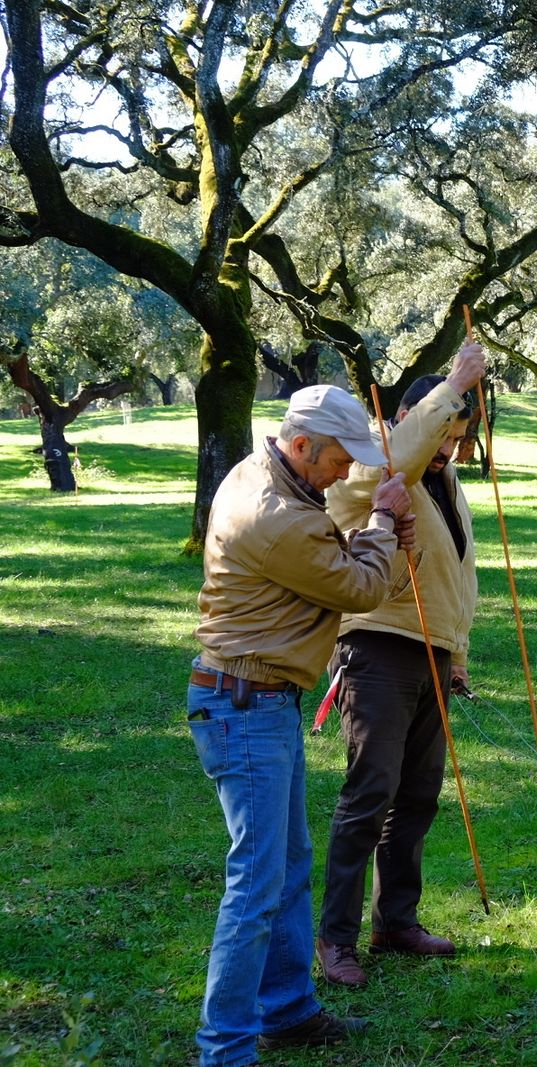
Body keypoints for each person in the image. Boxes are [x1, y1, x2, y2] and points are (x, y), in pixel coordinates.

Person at [189, 385, 412, 1066]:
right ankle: (224, 1048)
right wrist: (380, 522)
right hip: (246, 707)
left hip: (257, 702)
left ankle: (285, 1010)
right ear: (304, 444)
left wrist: (369, 530)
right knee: (257, 884)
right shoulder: (276, 514)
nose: (347, 472)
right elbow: (361, 587)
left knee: (286, 868)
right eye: (341, 458)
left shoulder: (265, 475)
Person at [315, 343, 486, 987]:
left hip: (434, 656)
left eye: (459, 437)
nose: (450, 448)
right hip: (379, 648)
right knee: (369, 796)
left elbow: (456, 579)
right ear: (412, 417)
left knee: (416, 796)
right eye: (444, 431)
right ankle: (336, 939)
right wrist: (457, 384)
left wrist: (458, 656)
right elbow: (401, 458)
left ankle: (396, 921)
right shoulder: (375, 467)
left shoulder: (445, 482)